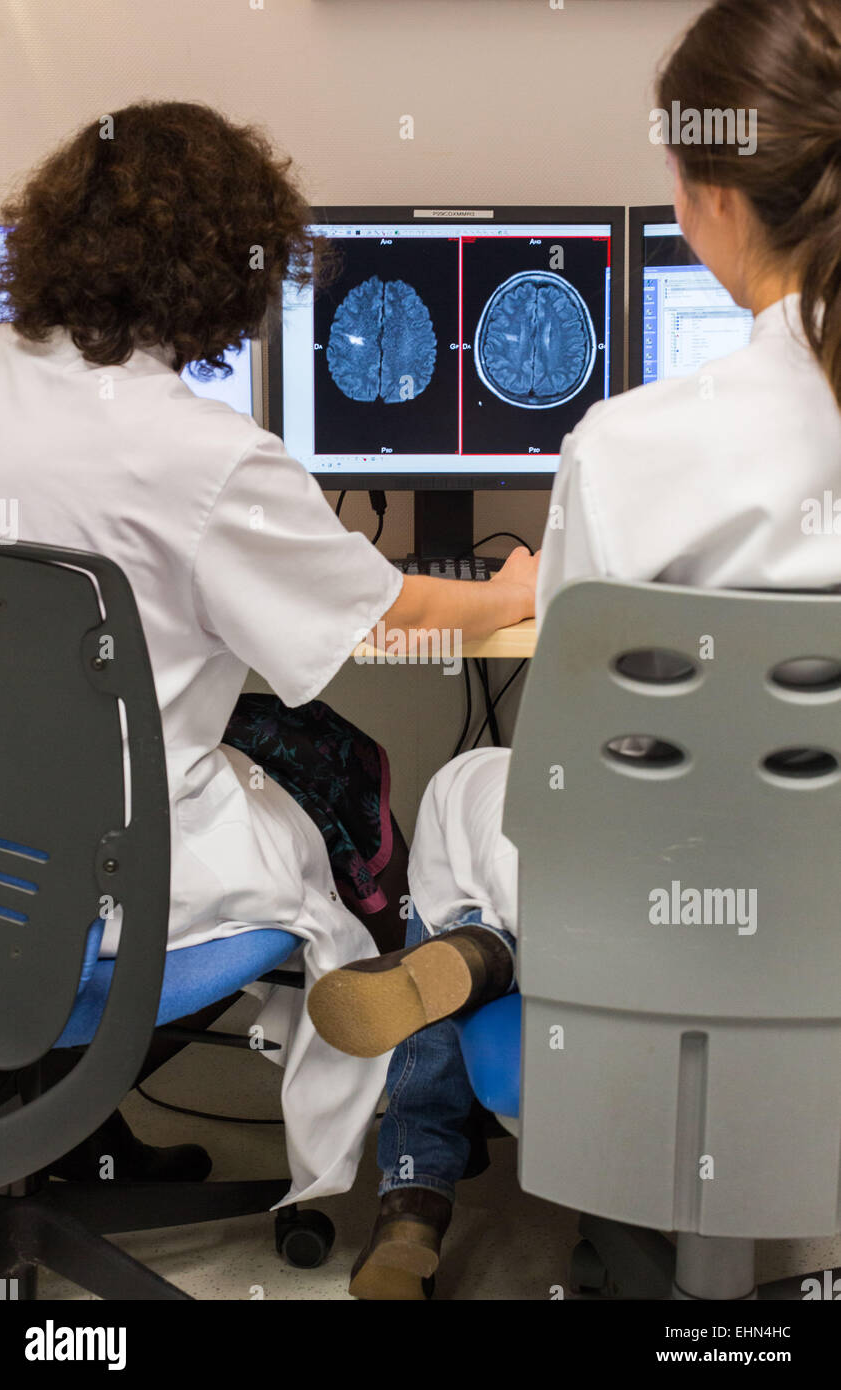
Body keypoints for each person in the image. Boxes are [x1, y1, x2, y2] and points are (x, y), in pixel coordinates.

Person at [309, 0, 841, 1297]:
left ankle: (435, 1112)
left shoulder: (627, 442)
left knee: (467, 794)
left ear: (703, 190)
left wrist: (529, 592)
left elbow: (577, 771)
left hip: (653, 917)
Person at [0, 101, 539, 1200]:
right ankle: (354, 1174)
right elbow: (377, 617)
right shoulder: (200, 453)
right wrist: (507, 593)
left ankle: (69, 1139)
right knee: (340, 829)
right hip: (109, 891)